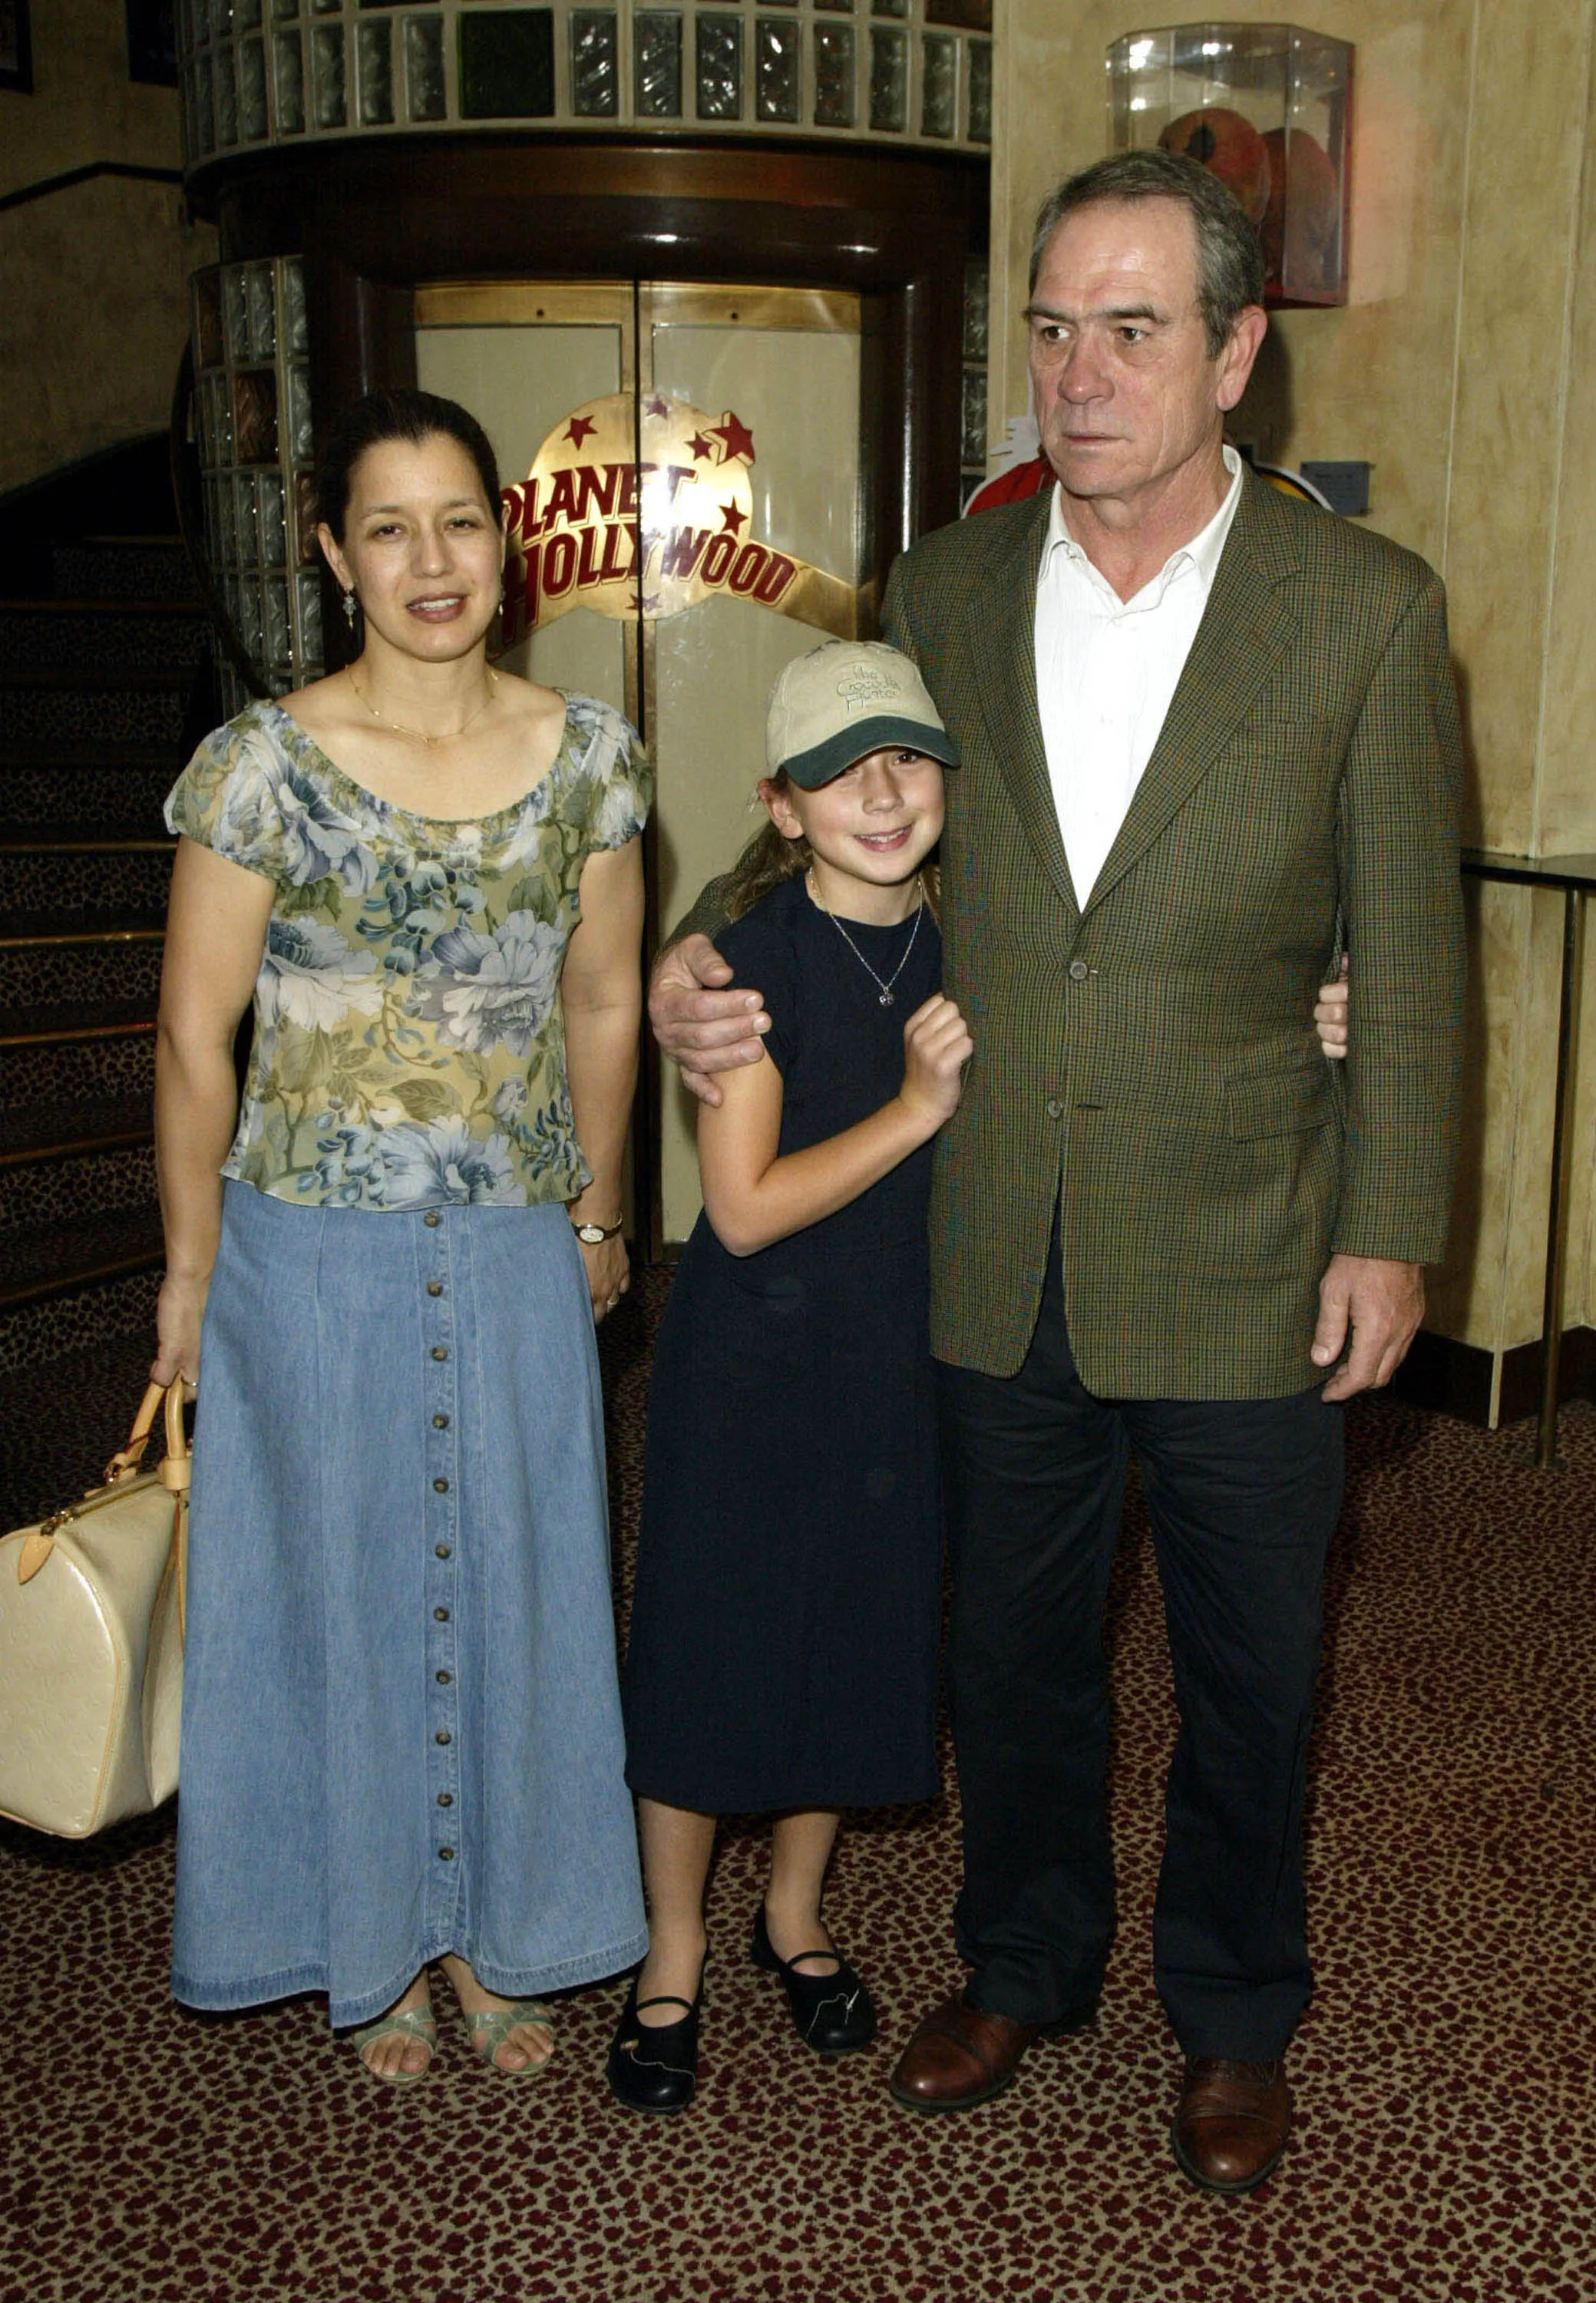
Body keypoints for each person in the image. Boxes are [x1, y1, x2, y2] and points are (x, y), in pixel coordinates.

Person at [649, 148, 1465, 2190]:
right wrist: (694, 963)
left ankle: (1231, 2013)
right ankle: (1020, 1959)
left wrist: (1390, 1226)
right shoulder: (937, 588)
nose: (1076, 372)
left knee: (1250, 1673)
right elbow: (842, 828)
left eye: (1129, 329)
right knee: (1004, 1662)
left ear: (1231, 355)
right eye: (1048, 327)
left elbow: (1414, 949)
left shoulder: (1361, 613)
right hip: (987, 1239)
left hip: (1251, 1242)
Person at [153, 387, 650, 2083]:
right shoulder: (259, 767)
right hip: (309, 1257)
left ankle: (496, 1935)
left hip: (513, 1239)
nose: (431, 561)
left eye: (459, 520)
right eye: (389, 527)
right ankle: (374, 1943)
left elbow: (600, 1000)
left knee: (516, 1587)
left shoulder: (590, 753)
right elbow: (189, 1038)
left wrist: (600, 1211)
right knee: (346, 1597)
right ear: (332, 555)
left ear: (505, 540)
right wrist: (188, 1277)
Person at [608, 641, 971, 2113]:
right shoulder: (744, 968)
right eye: (836, 772)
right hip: (753, 1363)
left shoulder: (970, 939)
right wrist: (917, 1106)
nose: (879, 794)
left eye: (905, 758)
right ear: (781, 803)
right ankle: (673, 1949)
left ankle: (794, 1918)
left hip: (895, 1351)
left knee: (845, 1635)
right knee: (713, 1643)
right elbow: (744, 1207)